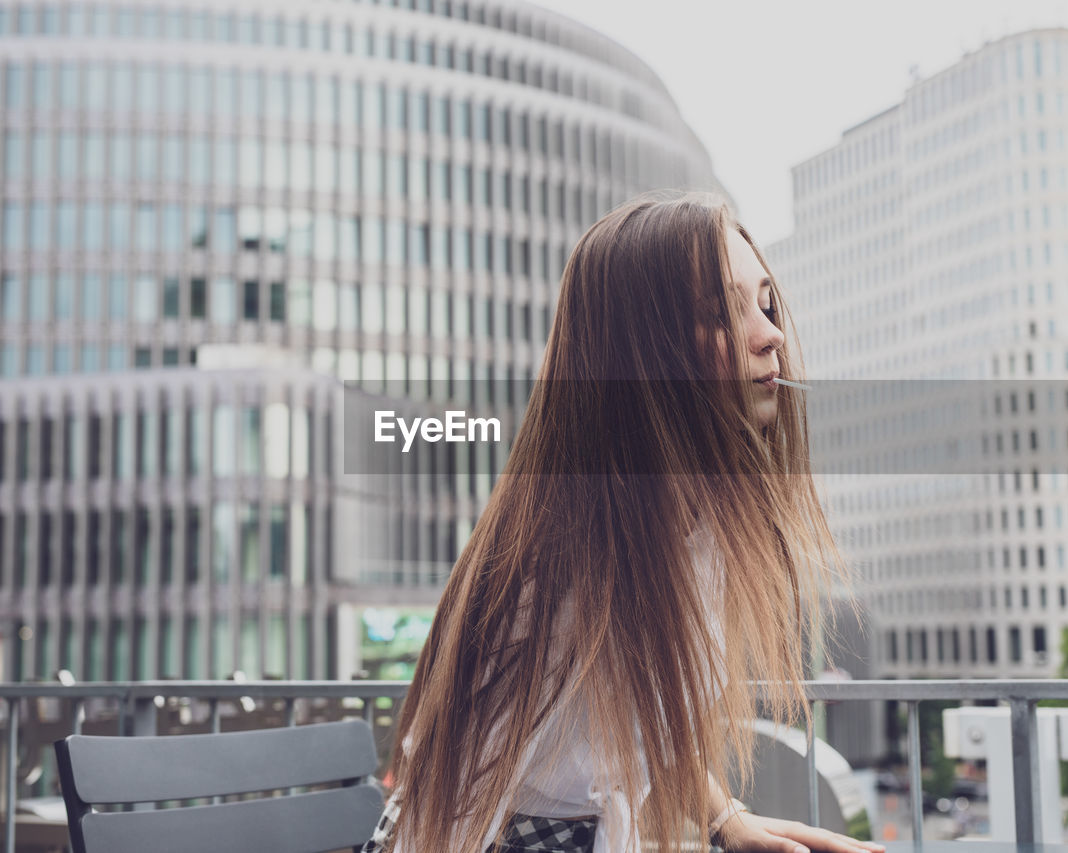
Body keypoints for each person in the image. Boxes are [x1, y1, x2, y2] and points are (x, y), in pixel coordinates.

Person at [361, 191, 880, 853]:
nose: (771, 333)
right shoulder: (573, 543)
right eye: (723, 312)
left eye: (767, 302)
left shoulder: (687, 518)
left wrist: (731, 823)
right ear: (642, 353)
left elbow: (644, 726)